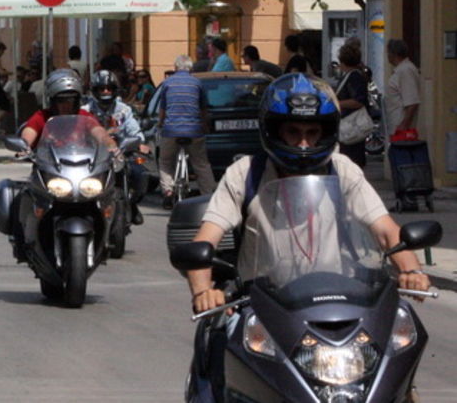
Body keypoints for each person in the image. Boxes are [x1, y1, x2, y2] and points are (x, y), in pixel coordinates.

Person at [183, 72, 430, 315]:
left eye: (312, 133)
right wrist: (204, 292)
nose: (304, 144)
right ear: (274, 130)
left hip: (335, 304)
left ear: (325, 133)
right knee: (217, 343)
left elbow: (387, 231)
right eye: (293, 132)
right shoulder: (245, 173)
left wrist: (411, 272)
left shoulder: (342, 170)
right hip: (260, 310)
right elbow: (205, 240)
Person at [83, 70, 149, 225]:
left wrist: (139, 142)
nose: (106, 92)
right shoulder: (85, 111)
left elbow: (134, 131)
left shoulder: (123, 110)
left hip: (120, 153)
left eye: (109, 88)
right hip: (93, 156)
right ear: (95, 91)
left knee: (140, 173)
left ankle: (132, 205)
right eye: (102, 88)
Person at [158, 55, 216, 208]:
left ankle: (168, 191)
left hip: (171, 130)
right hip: (194, 130)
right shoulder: (197, 83)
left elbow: (163, 109)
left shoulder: (167, 83)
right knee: (201, 164)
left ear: (176, 68)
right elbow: (203, 109)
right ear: (190, 68)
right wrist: (205, 125)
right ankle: (208, 195)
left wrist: (160, 124)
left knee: (165, 161)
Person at [20, 69, 115, 150]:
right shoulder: (41, 117)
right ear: (52, 101)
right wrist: (24, 147)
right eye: (61, 100)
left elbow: (100, 133)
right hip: (48, 168)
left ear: (77, 101)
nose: (66, 105)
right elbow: (28, 135)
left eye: (71, 100)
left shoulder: (84, 117)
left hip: (81, 165)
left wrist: (110, 145)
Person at [334, 44, 369, 169]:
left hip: (351, 125)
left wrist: (337, 103)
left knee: (351, 159)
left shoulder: (354, 77)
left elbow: (358, 101)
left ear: (343, 61)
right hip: (349, 126)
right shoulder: (352, 76)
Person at [385, 39, 421, 137]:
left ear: (393, 54)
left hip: (402, 131)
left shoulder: (405, 71)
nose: (387, 56)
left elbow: (412, 102)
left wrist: (404, 125)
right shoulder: (401, 70)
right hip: (397, 128)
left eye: (388, 52)